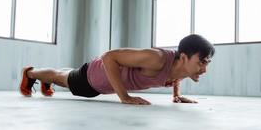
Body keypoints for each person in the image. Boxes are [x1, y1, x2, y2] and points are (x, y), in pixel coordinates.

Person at [19, 34, 215, 105]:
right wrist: (125, 97)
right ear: (183, 58)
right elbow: (109, 57)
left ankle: (47, 78)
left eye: (207, 63)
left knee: (65, 73)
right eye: (202, 62)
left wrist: (176, 95)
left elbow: (174, 76)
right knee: (62, 78)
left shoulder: (182, 68)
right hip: (95, 79)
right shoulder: (156, 59)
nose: (204, 69)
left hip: (102, 80)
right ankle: (30, 72)